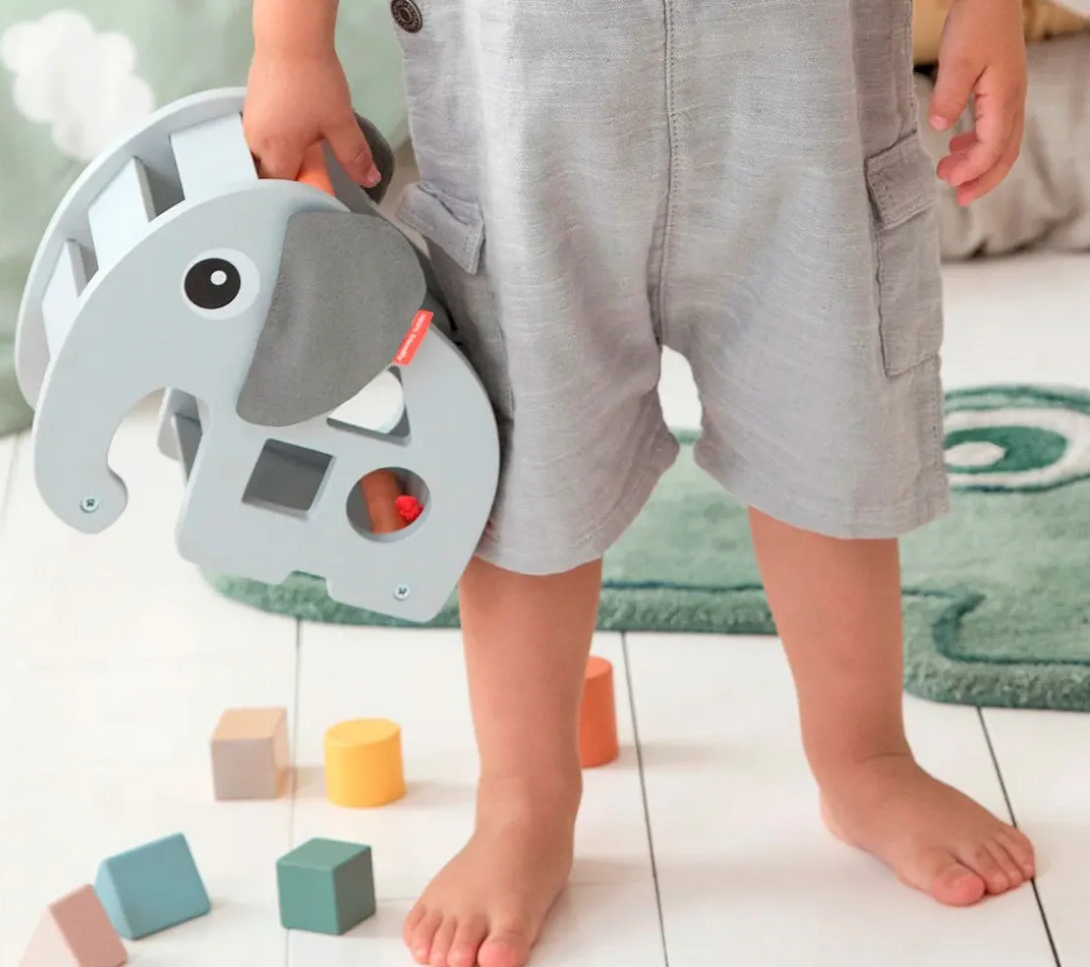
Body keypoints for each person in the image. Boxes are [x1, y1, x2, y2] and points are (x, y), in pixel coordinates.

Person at [244, 2, 1036, 965]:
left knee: (830, 435)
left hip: (803, 104)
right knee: (525, 470)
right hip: (528, 121)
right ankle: (524, 799)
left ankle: (865, 757)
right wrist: (291, 44)